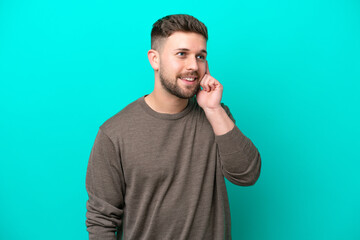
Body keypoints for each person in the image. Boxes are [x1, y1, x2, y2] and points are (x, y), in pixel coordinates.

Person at [85, 14, 261, 240]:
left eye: (200, 56)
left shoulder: (216, 116)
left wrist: (214, 110)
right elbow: (101, 221)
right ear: (154, 59)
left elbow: (247, 175)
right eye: (182, 54)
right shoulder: (114, 133)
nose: (193, 66)